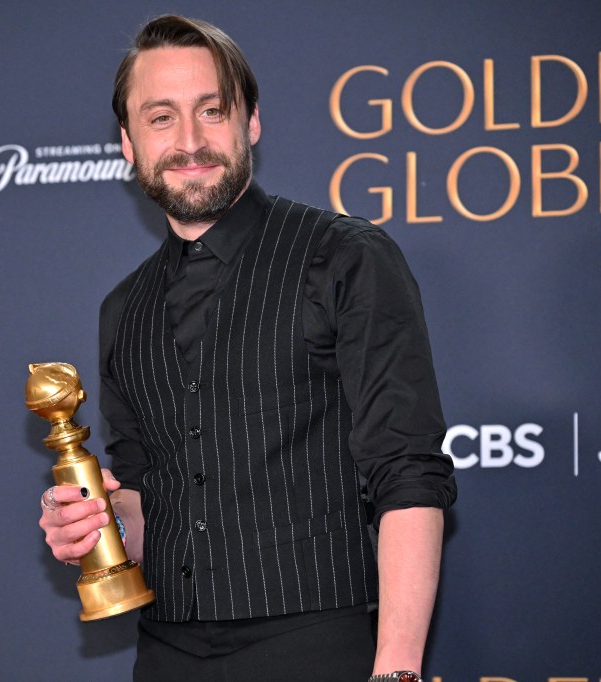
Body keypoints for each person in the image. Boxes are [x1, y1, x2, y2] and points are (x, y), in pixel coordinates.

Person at [39, 15, 456, 682]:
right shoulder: (123, 308)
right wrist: (97, 525)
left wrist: (396, 668)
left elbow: (407, 472)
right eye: (161, 118)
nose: (191, 141)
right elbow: (150, 500)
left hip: (319, 645)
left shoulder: (344, 256)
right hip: (166, 653)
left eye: (213, 110)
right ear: (127, 144)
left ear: (250, 123)